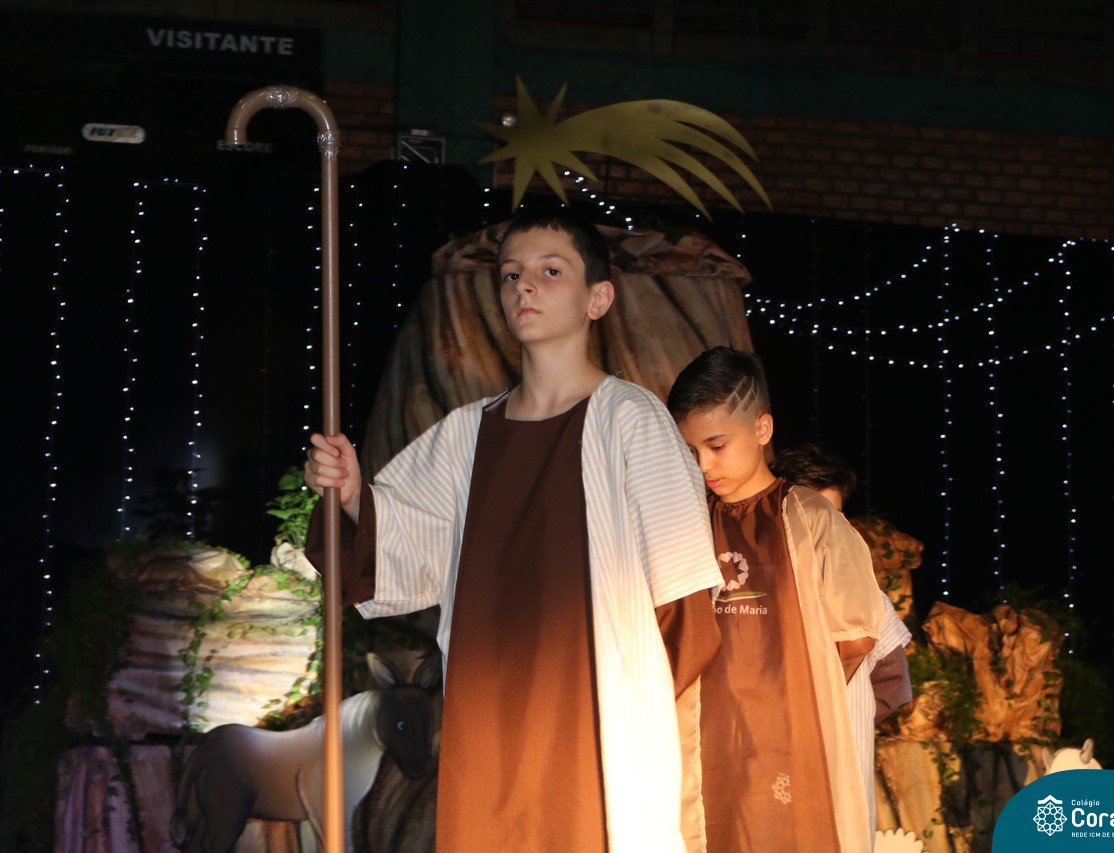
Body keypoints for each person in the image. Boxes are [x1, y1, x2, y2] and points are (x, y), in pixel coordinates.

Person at [303, 209, 724, 853]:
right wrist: (354, 495)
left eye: (551, 271)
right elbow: (398, 550)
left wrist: (628, 692)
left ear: (598, 298)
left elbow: (684, 594)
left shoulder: (631, 419)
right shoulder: (465, 434)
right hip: (486, 710)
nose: (524, 285)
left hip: (594, 710)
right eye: (510, 274)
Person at [667, 346, 884, 853]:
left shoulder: (810, 518)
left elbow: (854, 634)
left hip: (788, 734)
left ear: (762, 429)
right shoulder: (685, 522)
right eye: (691, 451)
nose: (704, 465)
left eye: (717, 445)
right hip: (698, 736)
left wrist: (795, 702)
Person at [772, 442, 915, 848]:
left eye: (834, 516)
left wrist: (845, 721)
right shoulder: (752, 589)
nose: (826, 530)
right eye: (813, 516)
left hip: (837, 775)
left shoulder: (867, 593)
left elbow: (894, 682)